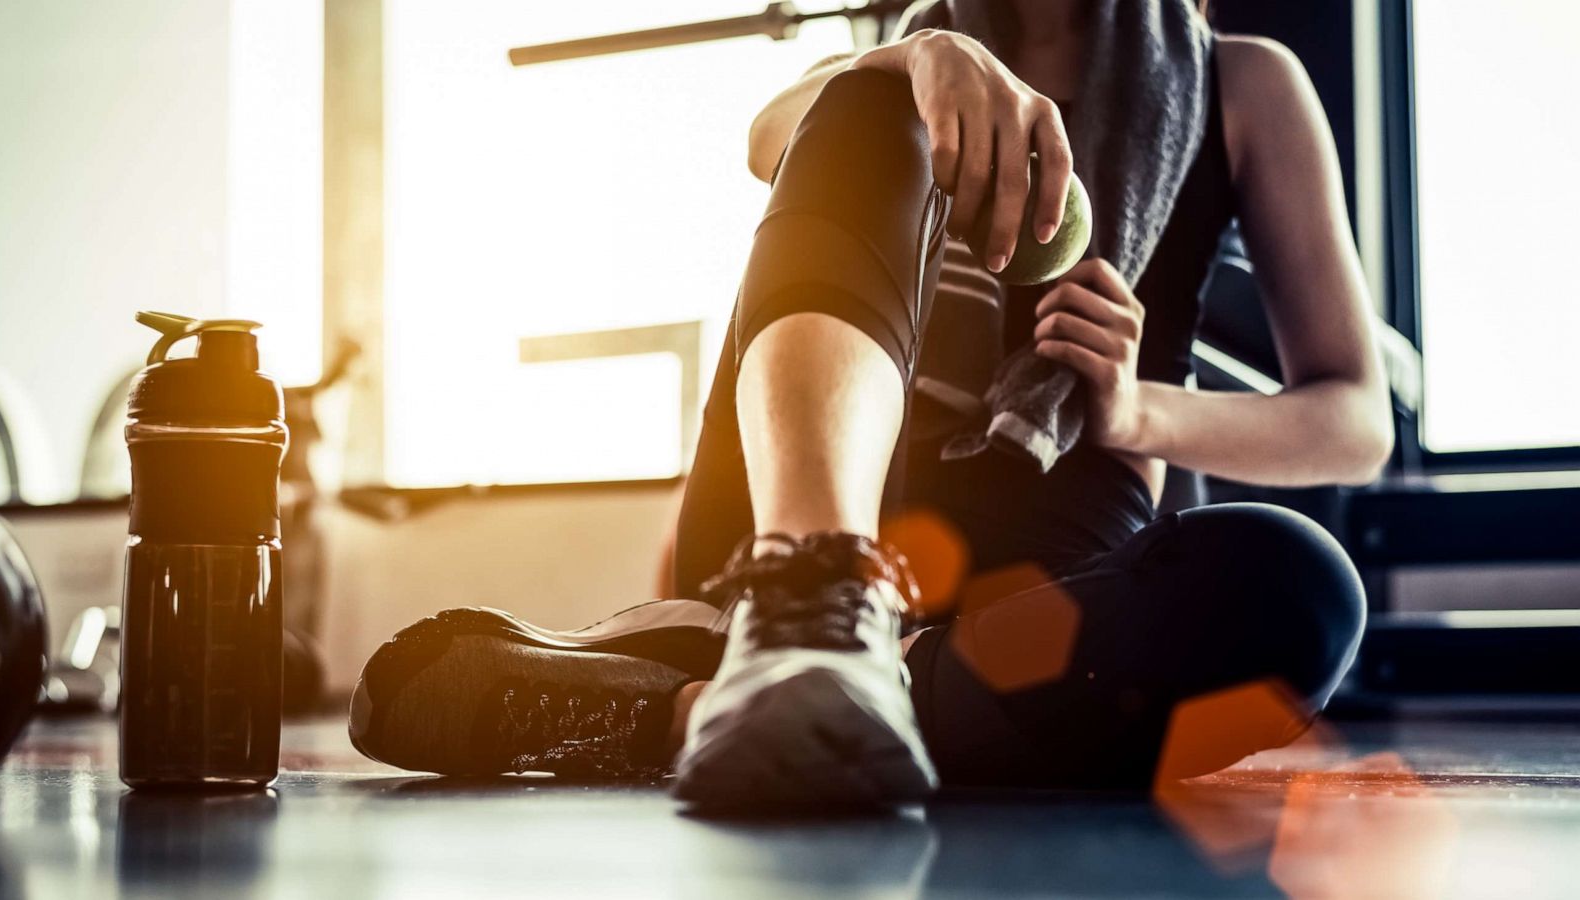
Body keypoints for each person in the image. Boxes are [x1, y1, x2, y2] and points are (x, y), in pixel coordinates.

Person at [347, 0, 1387, 807]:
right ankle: (813, 618)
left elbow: (1351, 420)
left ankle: (695, 710)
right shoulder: (896, 63)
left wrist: (1132, 414)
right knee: (864, 98)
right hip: (803, 521)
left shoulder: (1243, 83)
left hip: (1028, 598)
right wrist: (907, 61)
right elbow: (768, 137)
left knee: (1297, 593)